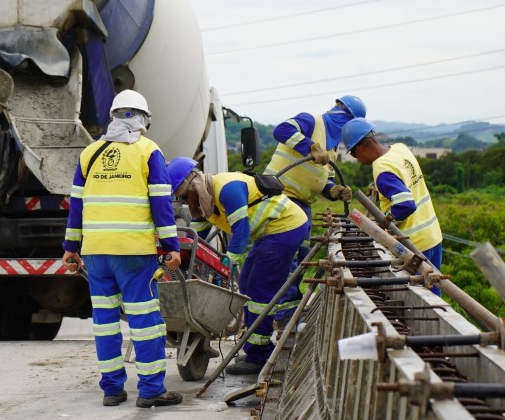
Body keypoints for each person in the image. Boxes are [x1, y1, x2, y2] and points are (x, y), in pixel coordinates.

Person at [60, 89, 183, 408]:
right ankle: (151, 390)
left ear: (112, 117)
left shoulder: (89, 153)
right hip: (133, 253)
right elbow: (161, 202)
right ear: (143, 120)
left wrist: (71, 247)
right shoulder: (148, 150)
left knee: (104, 323)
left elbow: (76, 205)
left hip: (95, 254)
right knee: (144, 322)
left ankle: (112, 390)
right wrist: (171, 246)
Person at [166, 157, 309, 375]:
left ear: (193, 184)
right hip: (268, 233)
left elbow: (240, 234)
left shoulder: (227, 189)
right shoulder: (204, 201)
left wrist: (226, 266)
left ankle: (258, 356)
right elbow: (195, 239)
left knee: (260, 289)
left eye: (185, 196)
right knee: (246, 284)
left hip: (285, 227)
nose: (186, 202)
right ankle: (257, 348)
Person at [263, 95, 365, 323]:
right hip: (281, 196)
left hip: (301, 203)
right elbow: (281, 130)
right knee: (286, 256)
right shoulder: (311, 121)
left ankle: (289, 309)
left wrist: (333, 191)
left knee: (299, 257)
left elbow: (324, 180)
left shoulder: (333, 148)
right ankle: (284, 313)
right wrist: (308, 145)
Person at [341, 117, 443, 295]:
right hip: (433, 236)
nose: (357, 160)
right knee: (434, 295)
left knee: (419, 300)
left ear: (360, 148)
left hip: (413, 246)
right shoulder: (400, 149)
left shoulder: (381, 168)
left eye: (354, 154)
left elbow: (405, 205)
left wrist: (385, 222)